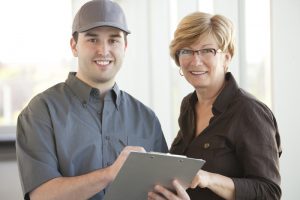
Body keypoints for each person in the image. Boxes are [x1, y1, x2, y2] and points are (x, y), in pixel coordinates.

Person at [16, 0, 168, 199]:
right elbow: (41, 195)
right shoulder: (41, 111)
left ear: (125, 46)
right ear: (74, 45)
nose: (103, 50)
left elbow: (161, 188)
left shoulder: (147, 119)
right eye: (93, 39)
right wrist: (109, 174)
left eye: (113, 40)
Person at [148, 12, 282, 200]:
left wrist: (209, 179)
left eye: (207, 50)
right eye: (186, 50)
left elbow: (269, 192)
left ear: (226, 57)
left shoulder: (249, 112)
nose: (195, 60)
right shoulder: (188, 104)